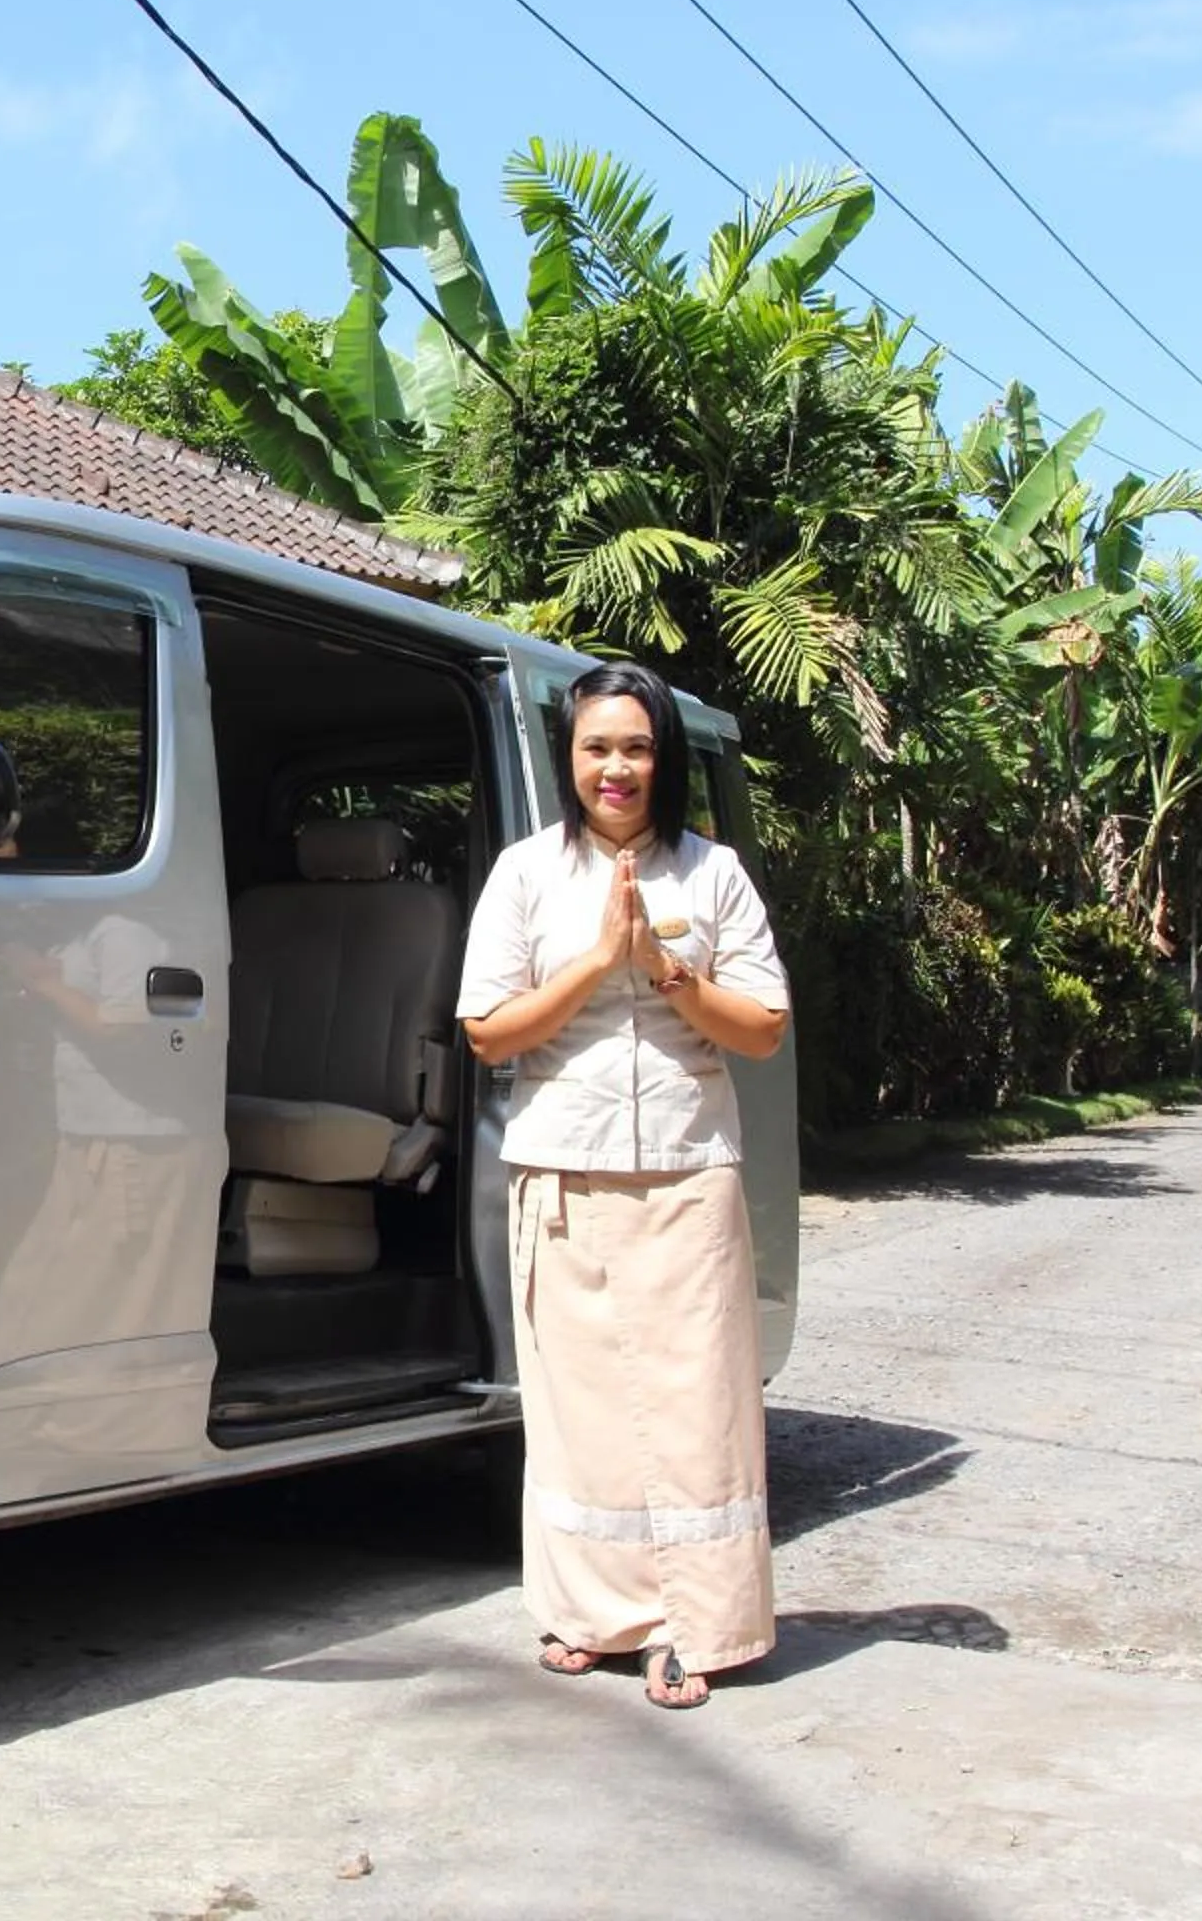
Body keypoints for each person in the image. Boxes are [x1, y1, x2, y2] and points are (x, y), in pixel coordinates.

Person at [453, 662, 791, 1710]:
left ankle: (697, 1625)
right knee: (579, 1407)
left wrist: (671, 971)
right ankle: (592, 1614)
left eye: (636, 747)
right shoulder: (525, 873)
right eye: (598, 746)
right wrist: (599, 961)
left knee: (700, 1406)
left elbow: (765, 1030)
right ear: (569, 756)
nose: (617, 767)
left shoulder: (715, 873)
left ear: (664, 758)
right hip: (563, 1163)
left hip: (689, 1170)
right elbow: (487, 1031)